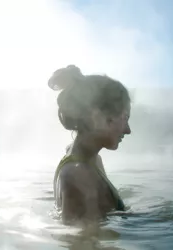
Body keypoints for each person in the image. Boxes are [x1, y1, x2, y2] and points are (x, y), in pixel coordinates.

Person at [49, 65, 132, 225]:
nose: (128, 130)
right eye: (125, 118)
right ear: (98, 116)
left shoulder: (89, 162)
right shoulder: (79, 177)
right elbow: (81, 244)